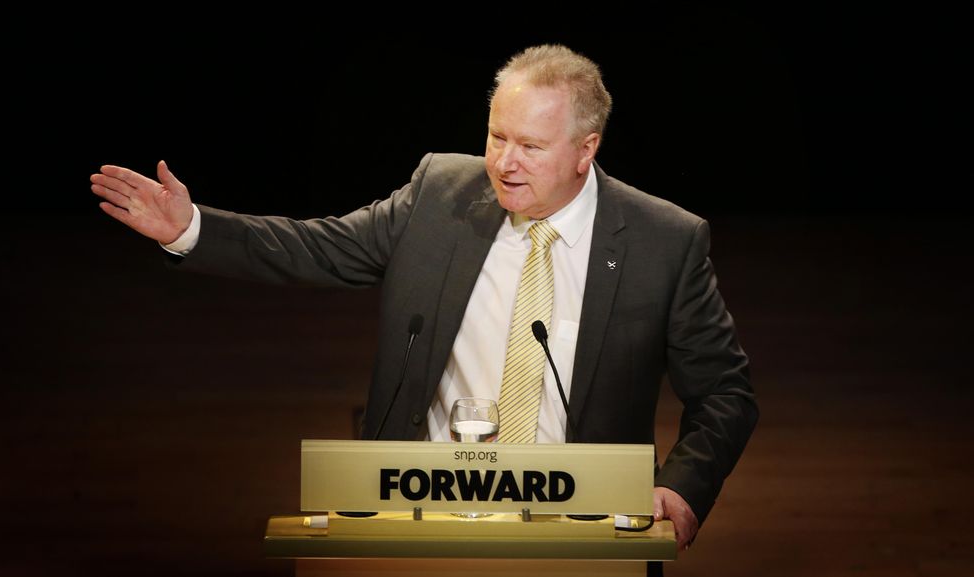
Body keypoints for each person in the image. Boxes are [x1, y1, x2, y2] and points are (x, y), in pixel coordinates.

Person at [90, 44, 757, 557]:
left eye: (529, 146)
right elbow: (316, 247)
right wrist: (191, 229)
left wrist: (680, 487)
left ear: (587, 150)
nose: (504, 162)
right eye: (497, 137)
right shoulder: (441, 193)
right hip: (421, 509)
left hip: (579, 520)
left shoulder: (662, 239)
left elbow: (726, 392)